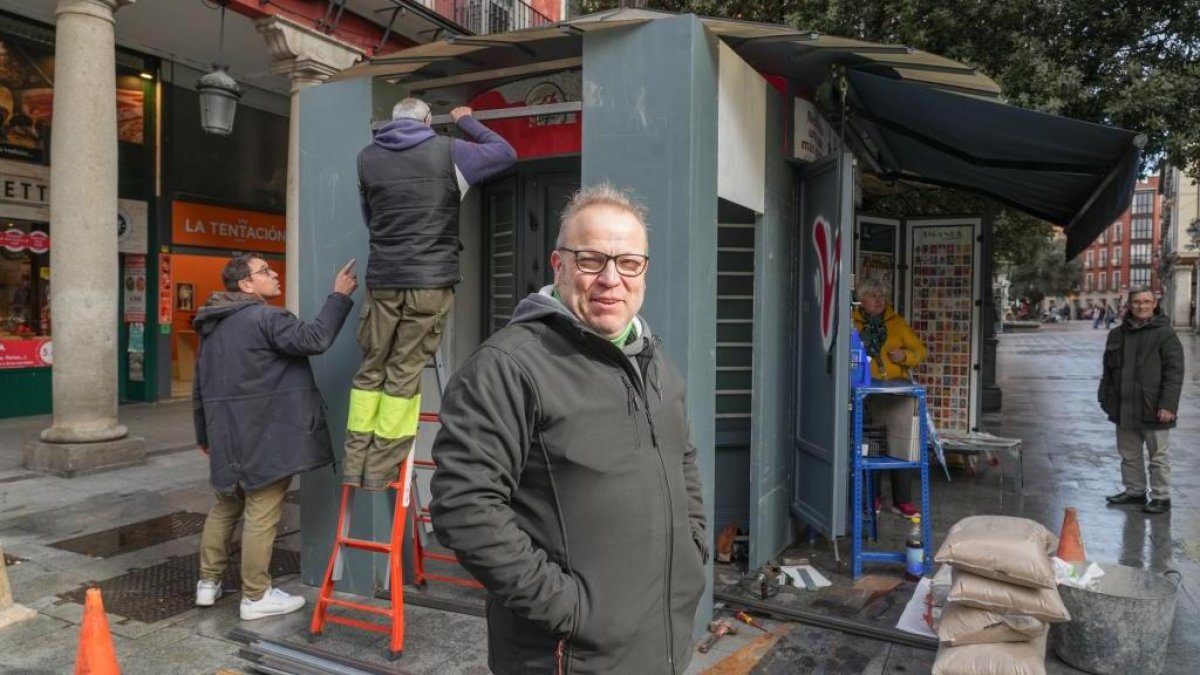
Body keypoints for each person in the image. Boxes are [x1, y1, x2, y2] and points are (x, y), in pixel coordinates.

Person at [429, 185, 707, 674]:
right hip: (568, 656)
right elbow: (464, 508)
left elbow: (681, 455)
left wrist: (693, 548)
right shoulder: (507, 366)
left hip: (660, 644)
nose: (610, 279)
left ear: (644, 271)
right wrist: (570, 610)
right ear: (558, 265)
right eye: (591, 259)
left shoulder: (652, 357)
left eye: (628, 263)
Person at [345, 97, 516, 490]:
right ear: (426, 121)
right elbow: (505, 153)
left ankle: (355, 462)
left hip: (384, 279)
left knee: (372, 366)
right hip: (429, 281)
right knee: (404, 371)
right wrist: (467, 122)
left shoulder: (366, 159)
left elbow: (371, 218)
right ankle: (380, 471)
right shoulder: (449, 151)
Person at [192, 254, 357, 619]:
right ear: (245, 285)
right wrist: (339, 296)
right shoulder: (267, 317)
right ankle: (255, 596)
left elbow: (199, 388)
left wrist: (205, 434)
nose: (274, 273)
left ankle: (208, 582)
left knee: (225, 506)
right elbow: (315, 339)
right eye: (264, 271)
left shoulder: (212, 327)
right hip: (266, 434)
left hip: (226, 433)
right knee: (262, 511)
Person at [1100, 287, 1183, 514]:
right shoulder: (1116, 334)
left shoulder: (1165, 334)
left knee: (1158, 457)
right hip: (1124, 407)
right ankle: (1135, 492)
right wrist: (1104, 397)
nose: (1142, 306)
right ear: (1130, 305)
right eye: (1137, 302)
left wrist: (1168, 405)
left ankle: (1161, 497)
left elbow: (1174, 372)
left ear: (1154, 304)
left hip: (1155, 408)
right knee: (1129, 454)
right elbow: (1108, 370)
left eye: (1147, 302)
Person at [852, 280, 929, 518]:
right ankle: (873, 497)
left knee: (902, 443)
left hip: (896, 390)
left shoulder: (896, 322)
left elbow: (921, 352)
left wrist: (904, 355)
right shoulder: (852, 323)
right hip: (865, 391)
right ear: (861, 300)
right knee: (872, 444)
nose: (879, 299)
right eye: (873, 295)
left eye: (881, 295)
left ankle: (902, 500)